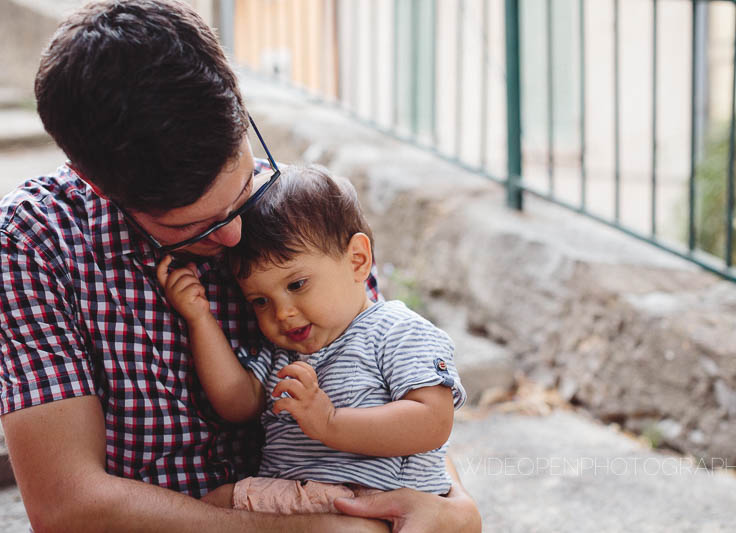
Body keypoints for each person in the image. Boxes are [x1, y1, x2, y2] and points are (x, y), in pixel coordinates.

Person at [0, 1, 481, 531]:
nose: (234, 235)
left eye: (243, 190)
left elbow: (387, 382)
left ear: (240, 109)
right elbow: (67, 505)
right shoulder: (34, 244)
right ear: (98, 186)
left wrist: (453, 508)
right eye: (194, 227)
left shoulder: (294, 205)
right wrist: (316, 529)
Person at [157, 165, 466, 514]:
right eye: (260, 301)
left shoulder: (398, 330)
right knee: (209, 508)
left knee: (214, 508)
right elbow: (237, 403)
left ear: (357, 261)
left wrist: (330, 422)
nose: (282, 312)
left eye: (297, 284)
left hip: (372, 498)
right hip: (294, 497)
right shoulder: (282, 354)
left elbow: (434, 422)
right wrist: (200, 320)